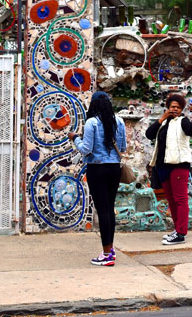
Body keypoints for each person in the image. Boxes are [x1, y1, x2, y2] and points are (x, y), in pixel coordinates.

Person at [69, 91, 126, 266]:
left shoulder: (91, 122)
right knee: (109, 208)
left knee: (102, 210)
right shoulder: (119, 121)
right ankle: (110, 248)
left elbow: (86, 149)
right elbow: (122, 147)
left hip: (97, 169)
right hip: (114, 168)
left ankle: (107, 254)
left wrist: (75, 139)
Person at [145, 93, 192, 246]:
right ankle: (177, 229)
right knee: (171, 200)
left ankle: (181, 233)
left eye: (177, 107)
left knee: (180, 199)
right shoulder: (163, 123)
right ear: (168, 108)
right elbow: (149, 134)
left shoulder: (182, 121)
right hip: (163, 167)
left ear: (181, 109)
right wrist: (161, 118)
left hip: (178, 166)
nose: (174, 109)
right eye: (172, 107)